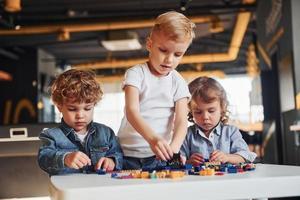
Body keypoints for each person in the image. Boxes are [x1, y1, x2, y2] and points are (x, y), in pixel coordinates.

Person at [117, 11, 195, 169]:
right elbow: (131, 111)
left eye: (178, 54)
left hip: (158, 156)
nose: (169, 60)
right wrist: (153, 139)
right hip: (126, 153)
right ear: (149, 44)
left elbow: (181, 121)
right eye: (163, 50)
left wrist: (173, 150)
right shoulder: (136, 74)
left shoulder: (178, 81)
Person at [38, 69, 123, 175]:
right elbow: (44, 159)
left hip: (99, 188)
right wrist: (65, 158)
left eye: (87, 109)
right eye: (72, 109)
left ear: (94, 105)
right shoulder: (51, 135)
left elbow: (118, 155)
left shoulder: (106, 133)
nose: (80, 115)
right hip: (68, 190)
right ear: (59, 107)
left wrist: (112, 161)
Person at [180, 77, 257, 165]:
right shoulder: (186, 134)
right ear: (191, 111)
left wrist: (227, 157)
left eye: (211, 111)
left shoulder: (231, 132)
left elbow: (245, 156)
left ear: (222, 109)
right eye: (198, 112)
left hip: (227, 178)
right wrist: (188, 162)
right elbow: (178, 161)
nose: (205, 117)